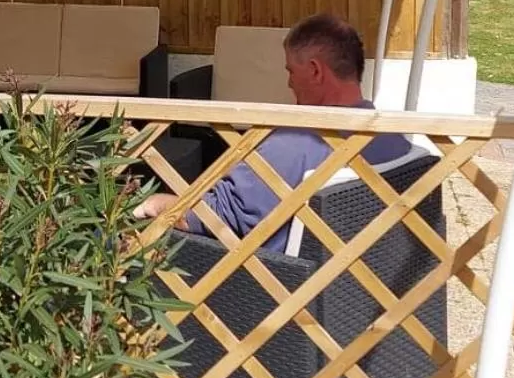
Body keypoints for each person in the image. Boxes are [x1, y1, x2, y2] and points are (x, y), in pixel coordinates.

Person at [134, 14, 417, 251]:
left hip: (265, 293)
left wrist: (153, 203)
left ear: (315, 71)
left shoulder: (296, 143)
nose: (289, 83)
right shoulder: (395, 141)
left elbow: (210, 218)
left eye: (291, 72)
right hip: (353, 291)